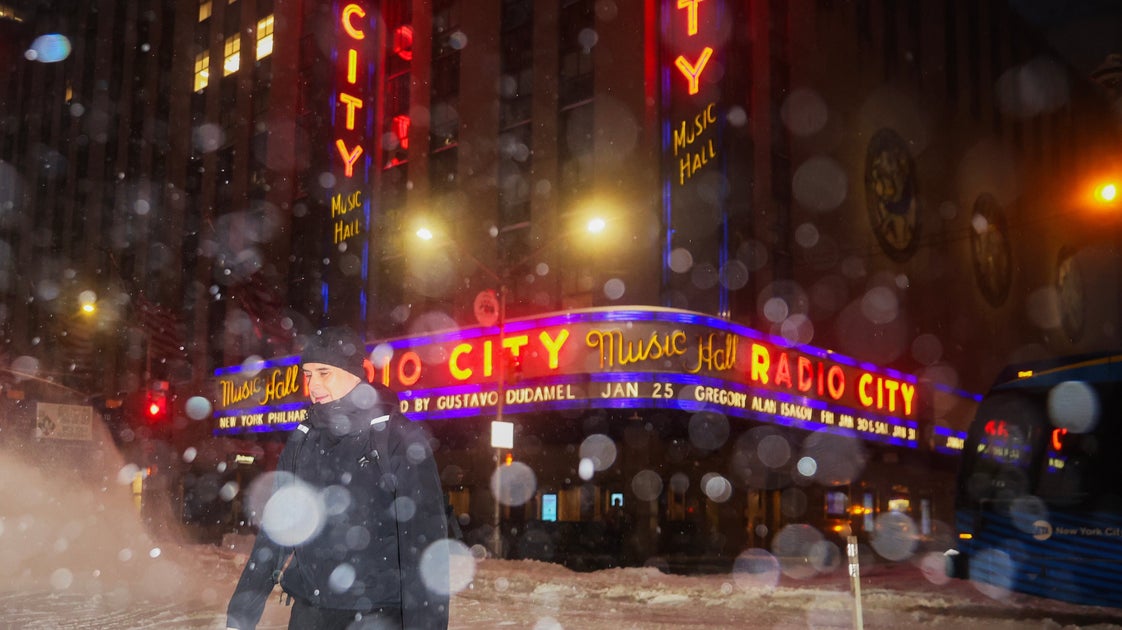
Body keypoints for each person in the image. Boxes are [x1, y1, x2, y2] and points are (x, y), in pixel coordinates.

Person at [226, 326, 449, 630]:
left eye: (323, 372)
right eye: (308, 375)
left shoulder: (397, 439)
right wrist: (240, 618)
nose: (313, 385)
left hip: (377, 615)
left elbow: (425, 551)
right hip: (309, 613)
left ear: (356, 372)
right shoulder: (302, 440)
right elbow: (275, 537)